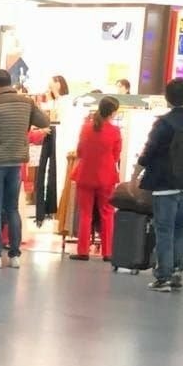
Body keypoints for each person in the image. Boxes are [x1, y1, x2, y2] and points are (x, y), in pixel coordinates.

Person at [0, 69, 49, 268]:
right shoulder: (27, 102)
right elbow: (44, 121)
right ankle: (14, 256)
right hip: (16, 162)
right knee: (13, 209)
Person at [130, 78, 183, 292]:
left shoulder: (164, 123)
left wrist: (135, 175)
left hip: (165, 184)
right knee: (180, 229)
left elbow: (149, 151)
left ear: (167, 98)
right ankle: (177, 271)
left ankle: (164, 276)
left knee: (164, 230)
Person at [69, 96, 121, 263]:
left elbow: (80, 151)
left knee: (85, 214)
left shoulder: (86, 128)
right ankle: (108, 252)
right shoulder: (115, 131)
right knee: (107, 213)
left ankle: (83, 251)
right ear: (112, 113)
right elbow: (116, 155)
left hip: (85, 174)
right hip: (106, 176)